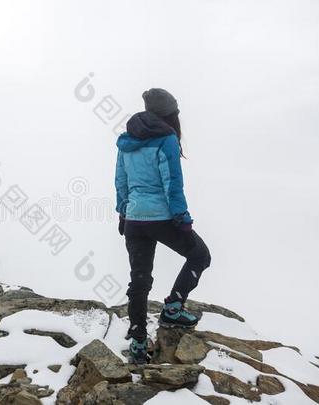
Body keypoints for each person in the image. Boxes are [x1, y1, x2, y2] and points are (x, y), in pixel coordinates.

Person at [114, 88, 211, 364]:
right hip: (161, 218)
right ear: (169, 114)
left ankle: (138, 342)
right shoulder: (166, 139)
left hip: (133, 220)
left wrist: (123, 213)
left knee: (140, 280)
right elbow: (172, 183)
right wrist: (182, 217)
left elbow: (120, 182)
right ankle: (174, 307)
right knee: (200, 255)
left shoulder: (126, 141)